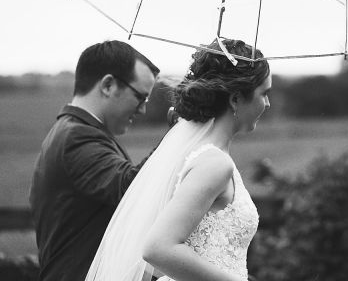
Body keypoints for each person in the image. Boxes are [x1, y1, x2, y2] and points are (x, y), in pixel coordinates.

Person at [86, 38, 272, 281]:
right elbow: (158, 248)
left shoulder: (203, 154)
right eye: (264, 93)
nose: (267, 103)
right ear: (235, 99)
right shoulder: (215, 163)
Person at [29, 40, 160, 281]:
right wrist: (181, 133)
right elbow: (131, 188)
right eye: (140, 97)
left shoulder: (74, 131)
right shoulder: (77, 137)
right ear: (108, 85)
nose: (142, 110)